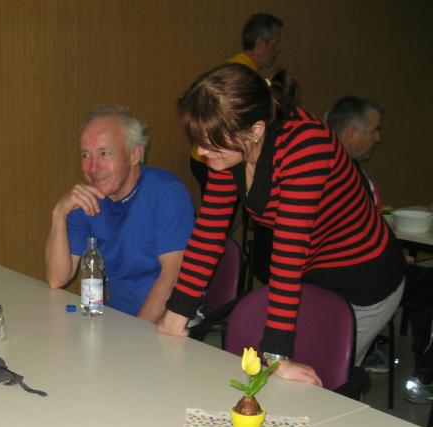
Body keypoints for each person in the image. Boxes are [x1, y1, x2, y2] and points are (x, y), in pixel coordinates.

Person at [160, 64, 407, 386]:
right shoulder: (231, 150)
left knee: (320, 384)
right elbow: (208, 235)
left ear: (255, 130)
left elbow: (289, 253)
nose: (202, 151)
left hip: (365, 277)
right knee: (285, 381)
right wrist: (175, 318)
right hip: (315, 275)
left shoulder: (306, 145)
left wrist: (277, 356)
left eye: (211, 143)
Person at [326, 96, 433, 403]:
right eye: (374, 130)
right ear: (350, 132)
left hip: (350, 276)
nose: (378, 138)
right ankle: (426, 375)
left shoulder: (336, 169)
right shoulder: (346, 177)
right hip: (356, 284)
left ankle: (373, 348)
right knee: (428, 287)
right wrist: (394, 258)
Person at [45, 105, 194, 323]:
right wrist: (59, 213)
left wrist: (135, 333)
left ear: (135, 155)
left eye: (104, 153)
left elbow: (173, 277)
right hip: (118, 318)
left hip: (172, 318)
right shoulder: (86, 200)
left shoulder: (167, 192)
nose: (92, 167)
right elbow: (57, 279)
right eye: (86, 155)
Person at [190, 13, 283, 194]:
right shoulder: (242, 74)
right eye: (275, 43)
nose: (277, 49)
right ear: (260, 43)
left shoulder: (238, 68)